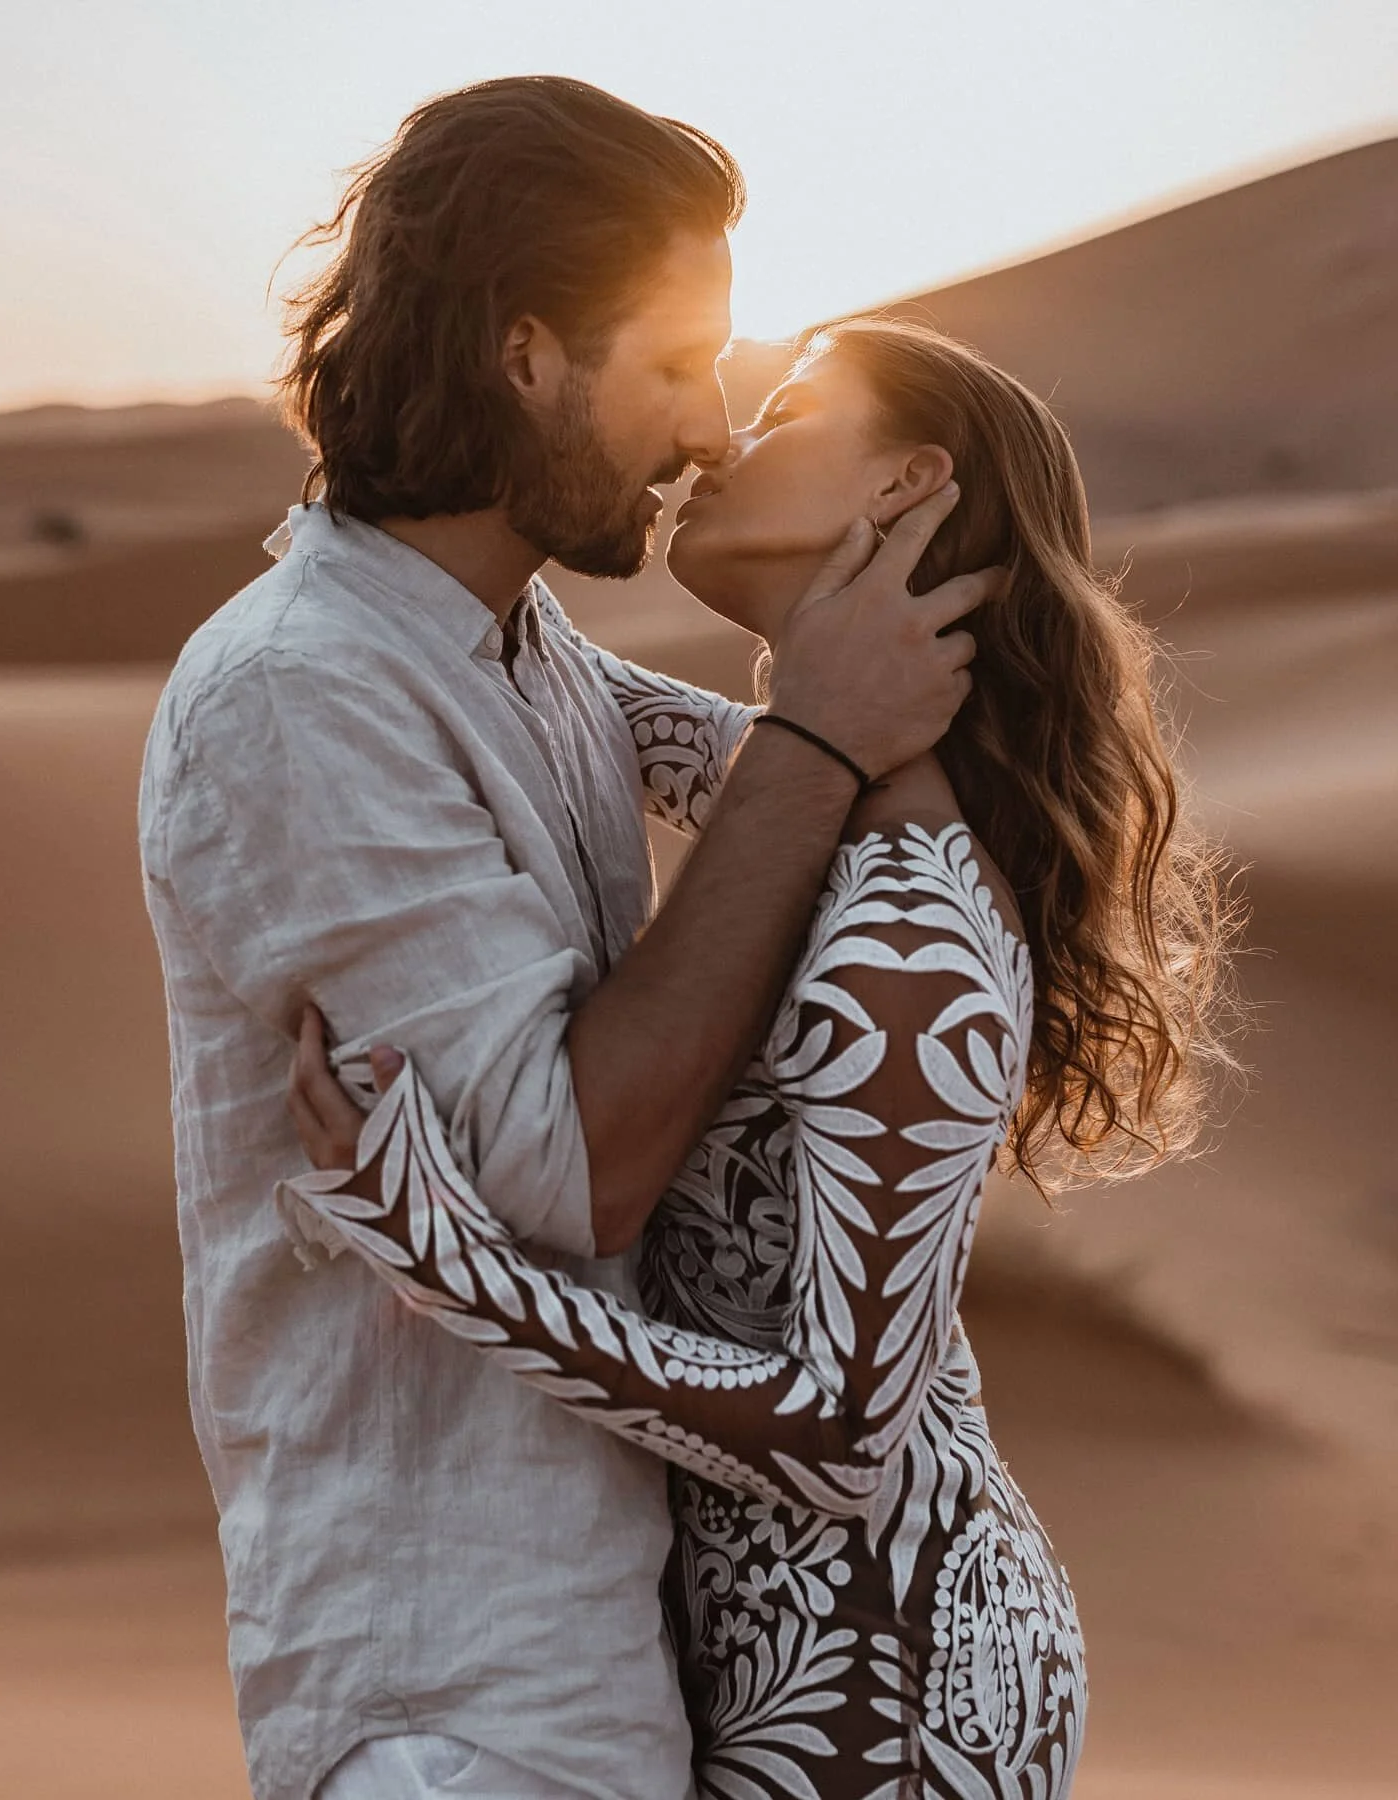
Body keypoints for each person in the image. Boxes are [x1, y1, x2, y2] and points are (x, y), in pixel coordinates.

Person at [138, 78, 994, 1800]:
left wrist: (865, 723)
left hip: (624, 1666)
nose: (707, 432)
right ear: (528, 354)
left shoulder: (522, 656)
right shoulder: (305, 692)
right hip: (446, 1692)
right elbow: (571, 1171)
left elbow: (816, 795)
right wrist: (820, 739)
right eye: (674, 366)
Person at [283, 317, 1239, 1798]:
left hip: (898, 1685)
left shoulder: (911, 940)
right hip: (782, 1657)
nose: (724, 437)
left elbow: (846, 1432)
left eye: (789, 410)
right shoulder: (805, 780)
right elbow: (548, 670)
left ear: (904, 486)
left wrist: (450, 1260)